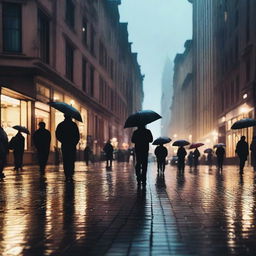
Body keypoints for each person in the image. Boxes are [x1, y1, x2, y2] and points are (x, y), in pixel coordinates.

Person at [56, 114, 80, 181]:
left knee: (65, 159)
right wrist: (74, 143)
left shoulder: (61, 125)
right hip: (72, 145)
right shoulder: (74, 125)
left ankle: (67, 174)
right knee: (71, 159)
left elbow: (57, 135)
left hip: (65, 145)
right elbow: (77, 136)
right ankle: (71, 173)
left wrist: (63, 141)